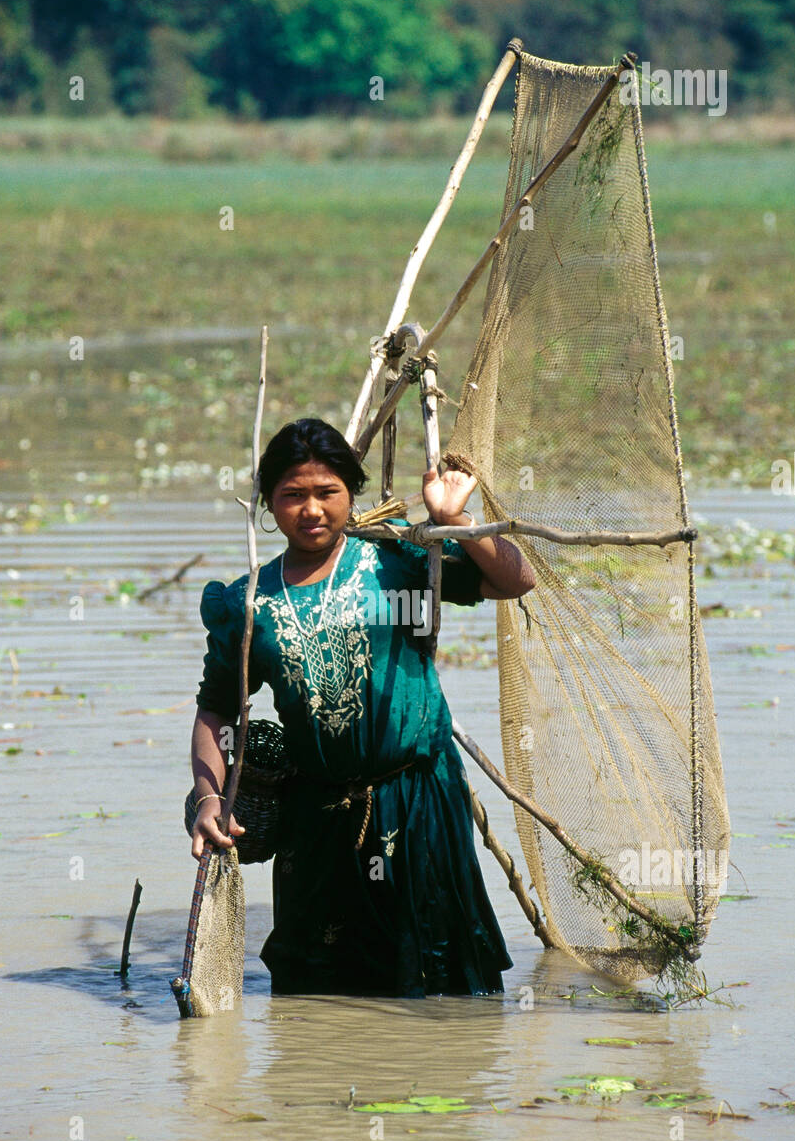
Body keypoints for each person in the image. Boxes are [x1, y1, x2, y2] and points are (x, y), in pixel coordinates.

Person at [189, 418, 536, 997]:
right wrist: (207, 799)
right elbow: (216, 712)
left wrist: (455, 523)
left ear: (351, 493)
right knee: (315, 990)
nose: (312, 510)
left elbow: (514, 581)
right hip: (315, 817)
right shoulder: (248, 602)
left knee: (437, 977)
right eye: (292, 496)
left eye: (327, 492)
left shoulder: (398, 558)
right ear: (268, 503)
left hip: (418, 800)